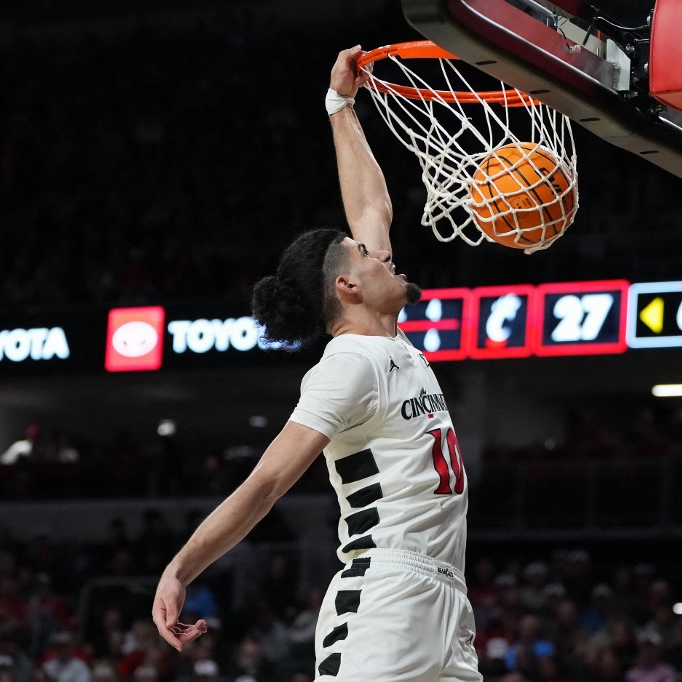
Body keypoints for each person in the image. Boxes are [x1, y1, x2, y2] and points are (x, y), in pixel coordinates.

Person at [151, 46, 480, 681]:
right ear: (348, 288)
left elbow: (371, 208)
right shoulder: (348, 364)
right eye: (367, 255)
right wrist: (180, 569)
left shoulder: (386, 337)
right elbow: (266, 484)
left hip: (446, 600)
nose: (383, 252)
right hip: (384, 595)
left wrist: (340, 105)